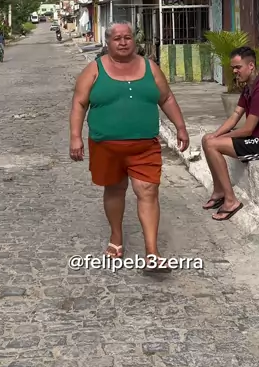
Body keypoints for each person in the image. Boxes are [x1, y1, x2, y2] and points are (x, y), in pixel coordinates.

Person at [69, 21, 189, 270]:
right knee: (115, 190)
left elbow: (166, 97)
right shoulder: (94, 69)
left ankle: (152, 252)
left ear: (134, 40)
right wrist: (75, 137)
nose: (123, 42)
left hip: (145, 146)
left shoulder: (150, 67)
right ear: (108, 42)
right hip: (106, 146)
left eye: (128, 37)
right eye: (117, 38)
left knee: (148, 191)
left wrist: (180, 126)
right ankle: (116, 237)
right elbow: (79, 103)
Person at [201, 46, 259, 221]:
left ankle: (231, 201)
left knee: (212, 144)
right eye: (233, 68)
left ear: (251, 66)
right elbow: (235, 116)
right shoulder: (249, 87)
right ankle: (219, 191)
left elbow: (247, 129)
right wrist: (215, 134)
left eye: (238, 67)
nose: (234, 71)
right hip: (255, 138)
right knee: (207, 139)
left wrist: (219, 139)